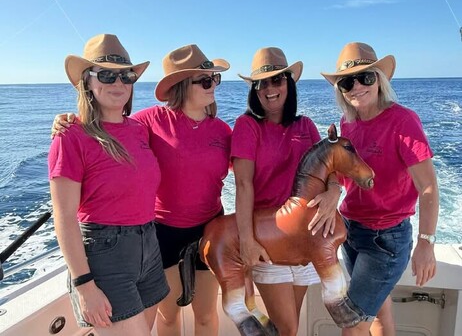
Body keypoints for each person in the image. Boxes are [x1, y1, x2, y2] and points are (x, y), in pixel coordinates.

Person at [52, 44, 232, 336]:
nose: (212, 85)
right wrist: (68, 120)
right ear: (181, 85)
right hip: (160, 233)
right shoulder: (147, 122)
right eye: (205, 80)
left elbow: (251, 173)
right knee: (168, 316)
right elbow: (104, 129)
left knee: (206, 313)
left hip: (208, 230)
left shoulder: (223, 131)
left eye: (214, 79)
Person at [48, 34, 169, 335]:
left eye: (126, 75)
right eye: (106, 75)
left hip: (149, 246)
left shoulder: (139, 130)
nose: (118, 83)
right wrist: (84, 286)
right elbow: (64, 216)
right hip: (105, 256)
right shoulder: (71, 136)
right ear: (87, 81)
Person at [320, 42, 439, 336]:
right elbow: (340, 171)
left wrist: (426, 243)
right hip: (351, 231)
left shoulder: (403, 121)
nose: (357, 87)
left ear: (379, 80)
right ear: (341, 90)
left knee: (351, 322)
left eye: (366, 77)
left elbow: (428, 186)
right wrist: (333, 187)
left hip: (386, 239)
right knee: (378, 311)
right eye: (348, 82)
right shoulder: (347, 123)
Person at [231, 47, 341, 336]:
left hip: (305, 237)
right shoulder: (247, 126)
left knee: (287, 327)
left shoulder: (305, 125)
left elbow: (328, 166)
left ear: (289, 84)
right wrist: (246, 240)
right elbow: (243, 185)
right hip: (267, 239)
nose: (270, 89)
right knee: (288, 328)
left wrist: (335, 190)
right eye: (262, 83)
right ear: (254, 90)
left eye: (277, 80)